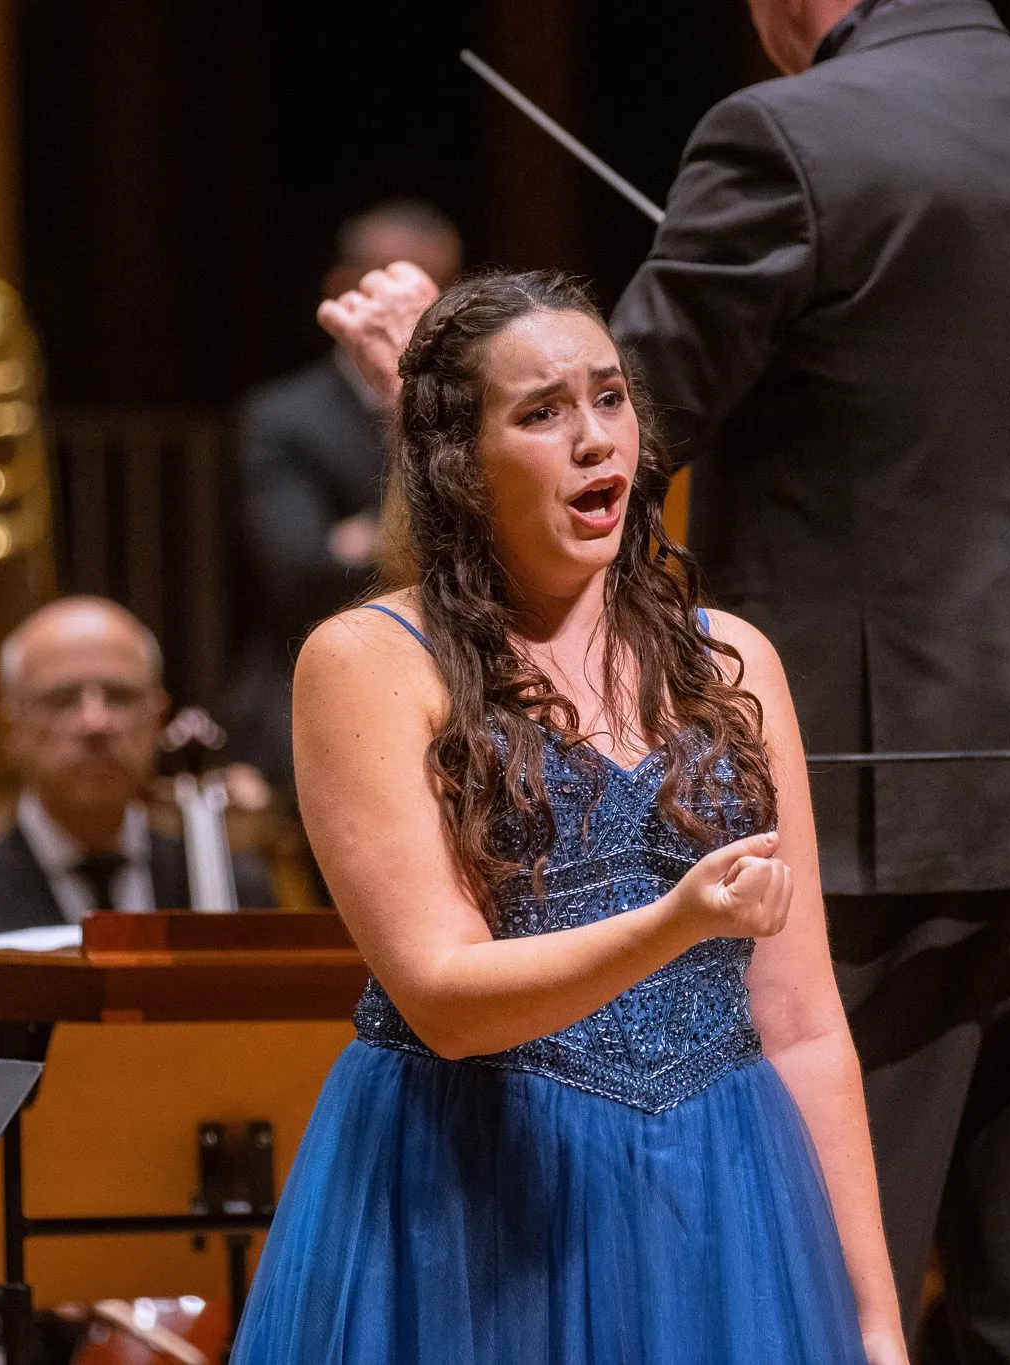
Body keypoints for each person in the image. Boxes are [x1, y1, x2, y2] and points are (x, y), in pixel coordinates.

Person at [320, 3, 1010, 1358]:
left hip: (865, 802)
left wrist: (438, 374)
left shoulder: (783, 138)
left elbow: (639, 411)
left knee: (823, 1285)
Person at [230, 272, 906, 1364]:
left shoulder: (731, 662)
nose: (594, 438)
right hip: (475, 1207)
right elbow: (444, 999)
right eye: (541, 412)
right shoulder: (368, 662)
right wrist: (675, 923)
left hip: (715, 1189)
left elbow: (802, 1022)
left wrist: (874, 1321)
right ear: (458, 461)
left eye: (608, 397)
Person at [226, 200, 463, 783]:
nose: (417, 315)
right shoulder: (283, 416)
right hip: (310, 684)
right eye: (394, 290)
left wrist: (363, 534)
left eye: (434, 293)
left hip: (459, 677)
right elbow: (299, 573)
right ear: (342, 292)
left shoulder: (474, 407)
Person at [0, 597, 269, 941]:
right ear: (11, 729)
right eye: (62, 699)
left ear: (157, 718)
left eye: (120, 696)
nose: (96, 723)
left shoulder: (236, 893)